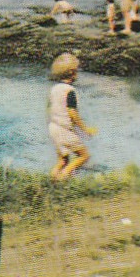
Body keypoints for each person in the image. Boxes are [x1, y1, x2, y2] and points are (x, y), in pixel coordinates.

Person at [47, 52, 97, 181]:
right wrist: (85, 129)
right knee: (84, 156)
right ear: (72, 73)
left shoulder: (54, 89)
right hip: (64, 130)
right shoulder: (70, 91)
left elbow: (49, 108)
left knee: (62, 160)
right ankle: (64, 177)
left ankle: (52, 180)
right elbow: (72, 113)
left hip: (53, 128)